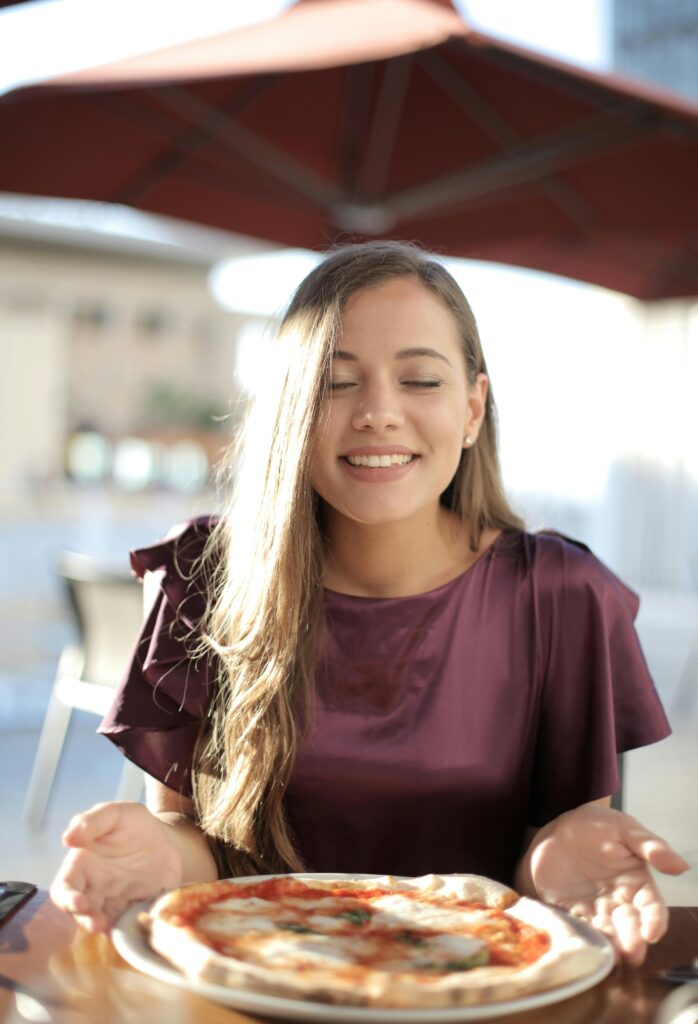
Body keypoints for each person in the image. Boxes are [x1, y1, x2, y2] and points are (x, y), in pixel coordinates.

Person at [51, 241, 688, 965]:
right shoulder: (203, 575)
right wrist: (157, 855)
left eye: (420, 380)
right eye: (335, 382)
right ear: (290, 408)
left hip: (480, 984)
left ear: (473, 409)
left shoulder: (562, 595)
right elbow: (187, 840)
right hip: (256, 981)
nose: (379, 414)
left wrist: (561, 856)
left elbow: (562, 841)